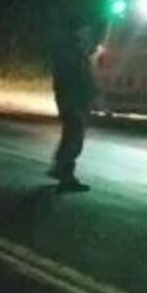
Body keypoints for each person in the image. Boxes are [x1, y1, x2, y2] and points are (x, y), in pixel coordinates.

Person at [49, 13, 97, 193]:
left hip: (77, 98)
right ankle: (65, 172)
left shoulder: (77, 50)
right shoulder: (70, 52)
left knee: (73, 134)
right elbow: (71, 78)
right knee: (74, 134)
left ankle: (61, 168)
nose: (89, 33)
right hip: (72, 99)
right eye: (86, 29)